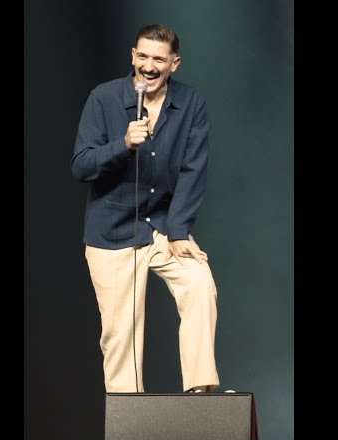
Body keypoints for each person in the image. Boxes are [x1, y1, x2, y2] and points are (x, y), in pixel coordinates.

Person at [72, 24, 219, 394]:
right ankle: (130, 426)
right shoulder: (104, 98)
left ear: (174, 63)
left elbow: (193, 169)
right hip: (113, 231)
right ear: (132, 56)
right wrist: (122, 144)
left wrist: (179, 230)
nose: (149, 66)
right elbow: (81, 165)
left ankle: (200, 397)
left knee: (199, 284)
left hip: (162, 227)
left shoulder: (191, 103)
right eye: (143, 56)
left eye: (159, 59)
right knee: (121, 336)